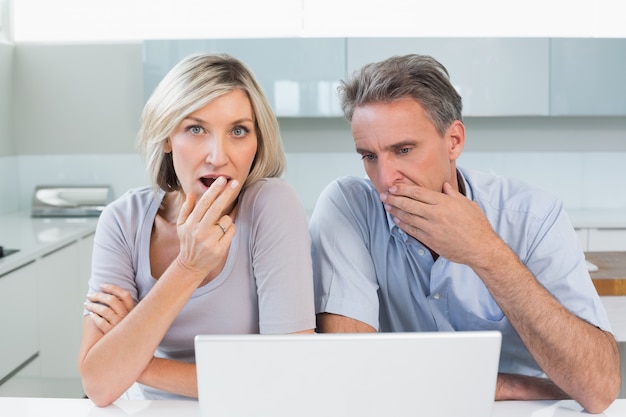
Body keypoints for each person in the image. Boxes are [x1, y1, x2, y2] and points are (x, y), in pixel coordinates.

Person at [309, 54, 620, 413]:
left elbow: (598, 389)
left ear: (453, 140)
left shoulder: (533, 215)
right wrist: (507, 384)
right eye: (369, 156)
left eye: (403, 150)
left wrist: (487, 253)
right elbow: (351, 372)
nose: (385, 178)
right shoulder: (349, 208)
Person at [78, 52, 315, 407]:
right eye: (196, 128)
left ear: (257, 140)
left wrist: (134, 363)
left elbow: (288, 373)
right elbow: (98, 384)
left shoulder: (272, 206)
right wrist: (188, 268)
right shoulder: (122, 220)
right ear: (166, 137)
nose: (219, 156)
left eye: (238, 131)